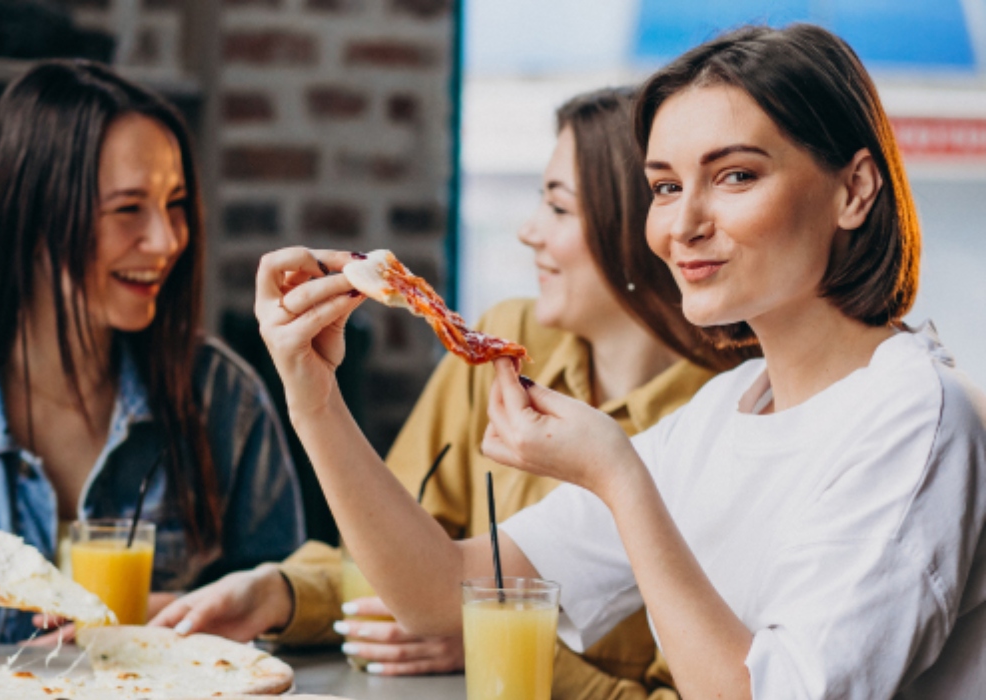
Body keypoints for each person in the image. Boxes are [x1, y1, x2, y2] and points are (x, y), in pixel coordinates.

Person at [251, 24, 986, 700]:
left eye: (735, 176)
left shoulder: (914, 414)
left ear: (854, 190)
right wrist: (314, 398)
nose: (683, 224)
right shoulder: (725, 409)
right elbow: (440, 592)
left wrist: (617, 478)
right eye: (665, 186)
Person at [153, 88, 747, 697]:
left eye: (560, 209)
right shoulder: (503, 344)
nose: (528, 232)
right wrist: (280, 591)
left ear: (632, 229)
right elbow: (418, 563)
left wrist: (490, 637)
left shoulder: (718, 429)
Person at [0, 60, 306, 645]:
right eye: (128, 208)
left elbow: (290, 621)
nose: (166, 240)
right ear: (32, 218)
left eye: (176, 202)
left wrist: (183, 617)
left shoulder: (221, 398)